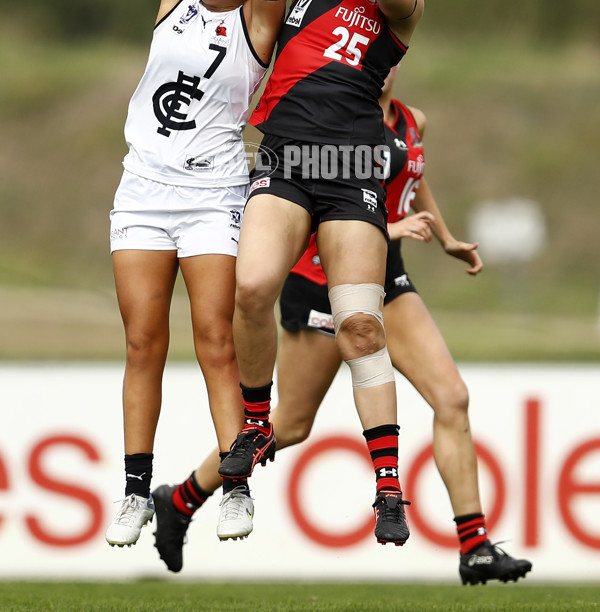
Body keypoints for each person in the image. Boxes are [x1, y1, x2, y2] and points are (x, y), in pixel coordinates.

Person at [152, 67, 532, 586]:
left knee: (453, 398)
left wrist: (443, 235)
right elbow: (314, 210)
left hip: (386, 276)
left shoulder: (410, 120)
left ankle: (475, 547)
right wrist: (389, 225)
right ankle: (180, 499)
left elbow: (411, 179)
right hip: (320, 280)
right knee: (290, 424)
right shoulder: (329, 122)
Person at [213, 0, 429, 551]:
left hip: (350, 163)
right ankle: (255, 426)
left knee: (359, 323)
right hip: (288, 152)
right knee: (252, 289)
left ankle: (388, 490)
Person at [104, 0, 288, 548]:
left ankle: (235, 481)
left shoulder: (257, 25)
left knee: (215, 339)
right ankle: (136, 492)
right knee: (144, 341)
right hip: (142, 190)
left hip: (212, 195)